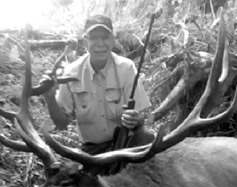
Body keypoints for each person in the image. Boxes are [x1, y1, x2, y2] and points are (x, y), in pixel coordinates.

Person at [43, 14, 155, 155]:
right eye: (94, 38)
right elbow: (61, 124)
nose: (100, 43)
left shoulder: (126, 68)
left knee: (147, 137)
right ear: (85, 42)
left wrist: (135, 119)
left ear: (112, 40)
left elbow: (142, 116)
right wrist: (49, 97)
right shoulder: (71, 73)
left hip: (126, 145)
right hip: (92, 151)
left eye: (105, 37)